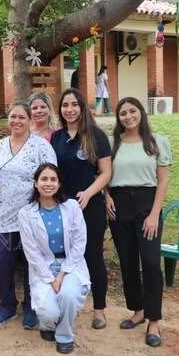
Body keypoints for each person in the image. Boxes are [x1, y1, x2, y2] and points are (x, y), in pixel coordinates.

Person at [0, 102, 57, 329]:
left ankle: (31, 308)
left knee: (31, 264)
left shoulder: (40, 146)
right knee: (1, 261)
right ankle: (7, 306)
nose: (16, 121)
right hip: (2, 214)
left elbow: (50, 177)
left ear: (29, 120)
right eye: (13, 117)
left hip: (31, 214)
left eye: (21, 117)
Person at [105, 97, 171, 347]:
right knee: (128, 261)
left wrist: (154, 214)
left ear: (141, 113)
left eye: (132, 111)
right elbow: (105, 174)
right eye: (123, 113)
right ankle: (138, 311)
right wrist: (106, 197)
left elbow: (162, 181)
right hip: (119, 205)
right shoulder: (113, 144)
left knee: (152, 262)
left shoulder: (156, 142)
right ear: (118, 117)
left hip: (147, 204)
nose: (128, 116)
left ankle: (154, 320)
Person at [50, 88, 112, 329]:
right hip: (61, 208)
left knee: (92, 256)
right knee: (62, 258)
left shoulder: (96, 136)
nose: (70, 109)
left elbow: (106, 172)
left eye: (74, 104)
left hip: (89, 206)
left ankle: (99, 310)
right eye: (65, 105)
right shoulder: (56, 137)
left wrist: (89, 192)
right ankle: (64, 306)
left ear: (82, 107)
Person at [19, 163, 90, 354]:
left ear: (59, 184)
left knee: (68, 295)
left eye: (53, 179)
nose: (48, 183)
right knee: (49, 312)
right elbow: (31, 252)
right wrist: (50, 278)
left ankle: (64, 335)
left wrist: (62, 275)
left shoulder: (72, 207)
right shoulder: (26, 214)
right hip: (43, 266)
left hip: (70, 265)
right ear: (35, 183)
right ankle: (47, 324)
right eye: (43, 179)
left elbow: (79, 242)